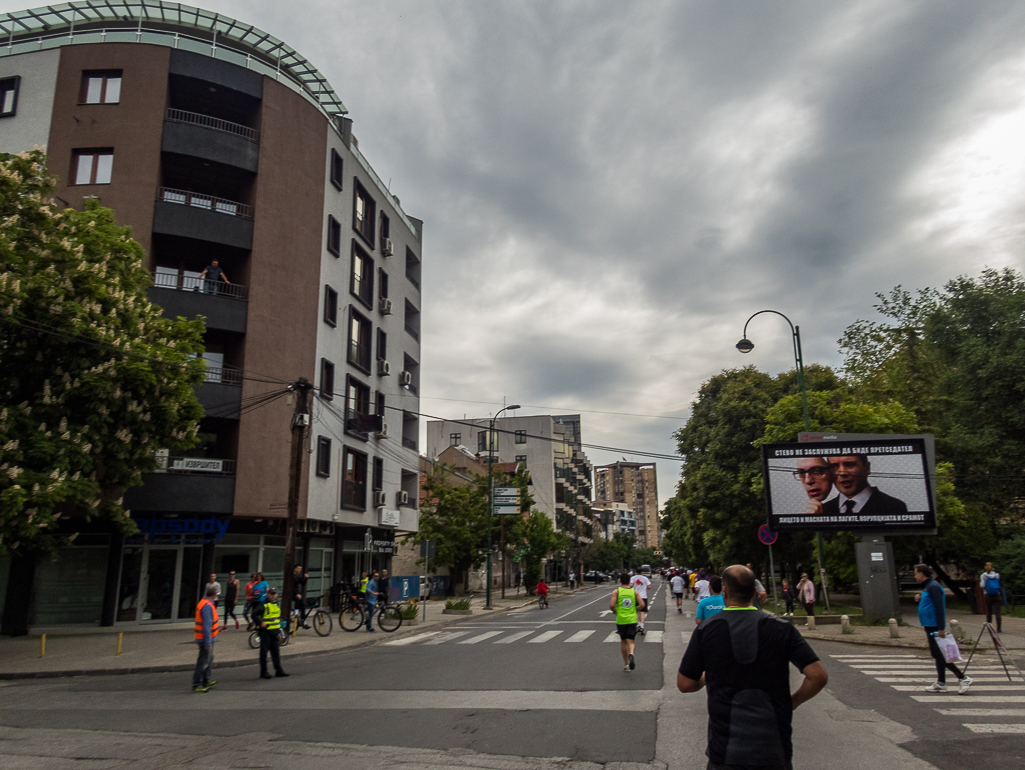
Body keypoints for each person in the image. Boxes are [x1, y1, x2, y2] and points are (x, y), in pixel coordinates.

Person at [677, 565, 828, 769]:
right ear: (754, 593)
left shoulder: (707, 629)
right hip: (774, 750)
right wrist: (793, 701)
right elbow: (817, 676)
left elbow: (685, 684)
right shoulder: (782, 629)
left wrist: (706, 676)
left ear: (725, 592)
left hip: (726, 751)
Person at [916, 564, 972, 694]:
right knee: (937, 654)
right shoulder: (929, 587)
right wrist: (920, 599)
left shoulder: (933, 586)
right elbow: (929, 603)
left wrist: (941, 627)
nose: (915, 576)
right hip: (929, 624)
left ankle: (963, 678)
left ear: (922, 574)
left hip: (934, 625)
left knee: (939, 654)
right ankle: (941, 683)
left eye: (916, 573)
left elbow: (939, 607)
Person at [822, 454, 909, 516]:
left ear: (867, 468)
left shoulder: (893, 507)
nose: (843, 473)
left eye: (850, 465)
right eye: (834, 467)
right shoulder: (824, 510)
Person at [251, 587, 289, 679]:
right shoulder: (263, 604)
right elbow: (254, 614)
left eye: (274, 594)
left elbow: (275, 616)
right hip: (266, 632)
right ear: (268, 594)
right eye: (271, 594)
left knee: (275, 652)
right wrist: (260, 622)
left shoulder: (277, 604)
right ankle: (263, 672)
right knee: (264, 652)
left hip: (275, 631)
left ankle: (279, 670)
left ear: (276, 594)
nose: (273, 595)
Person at [192, 584, 220, 693]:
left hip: (207, 638)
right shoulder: (207, 606)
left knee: (208, 660)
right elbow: (207, 626)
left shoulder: (205, 603)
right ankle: (197, 684)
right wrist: (207, 643)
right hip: (205, 639)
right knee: (203, 662)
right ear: (214, 594)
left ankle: (205, 680)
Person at [610, 572, 639, 671]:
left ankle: (626, 665)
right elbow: (643, 604)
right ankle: (631, 653)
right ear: (629, 581)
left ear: (620, 580)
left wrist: (615, 611)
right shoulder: (634, 592)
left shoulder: (617, 592)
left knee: (623, 641)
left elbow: (612, 605)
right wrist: (635, 608)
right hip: (632, 619)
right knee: (631, 641)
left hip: (621, 620)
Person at [980, 561, 1003, 633]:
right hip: (997, 594)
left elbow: (982, 586)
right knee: (998, 612)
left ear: (985, 567)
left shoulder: (983, 575)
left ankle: (990, 627)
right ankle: (999, 628)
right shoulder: (997, 575)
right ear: (992, 567)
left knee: (989, 611)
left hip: (988, 595)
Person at [631, 568, 651, 634]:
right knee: (643, 612)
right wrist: (643, 586)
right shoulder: (645, 578)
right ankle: (642, 626)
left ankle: (638, 624)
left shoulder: (633, 578)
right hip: (643, 596)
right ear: (642, 572)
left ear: (636, 572)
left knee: (637, 611)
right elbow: (649, 587)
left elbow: (630, 585)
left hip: (636, 596)